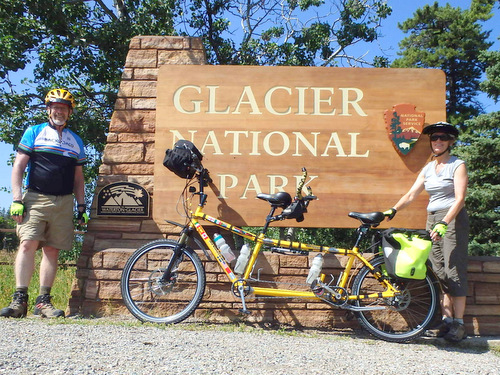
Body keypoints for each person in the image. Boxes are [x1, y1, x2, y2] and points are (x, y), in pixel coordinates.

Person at [0, 88, 88, 319]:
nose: (59, 111)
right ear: (48, 109)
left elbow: (79, 178)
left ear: (70, 113)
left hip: (64, 201)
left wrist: (81, 207)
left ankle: (43, 302)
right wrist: (17, 199)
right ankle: (19, 300)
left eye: (64, 108)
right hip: (36, 197)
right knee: (28, 243)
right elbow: (18, 166)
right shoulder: (34, 132)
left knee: (52, 250)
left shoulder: (75, 141)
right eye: (55, 107)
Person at [383, 121, 469, 342]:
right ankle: (446, 321)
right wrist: (392, 209)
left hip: (452, 219)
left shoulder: (457, 165)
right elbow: (412, 194)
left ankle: (459, 324)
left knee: (453, 269)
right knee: (438, 271)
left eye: (442, 138)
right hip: (432, 219)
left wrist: (445, 222)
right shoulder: (428, 168)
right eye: (434, 138)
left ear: (450, 141)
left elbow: (459, 198)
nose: (437, 141)